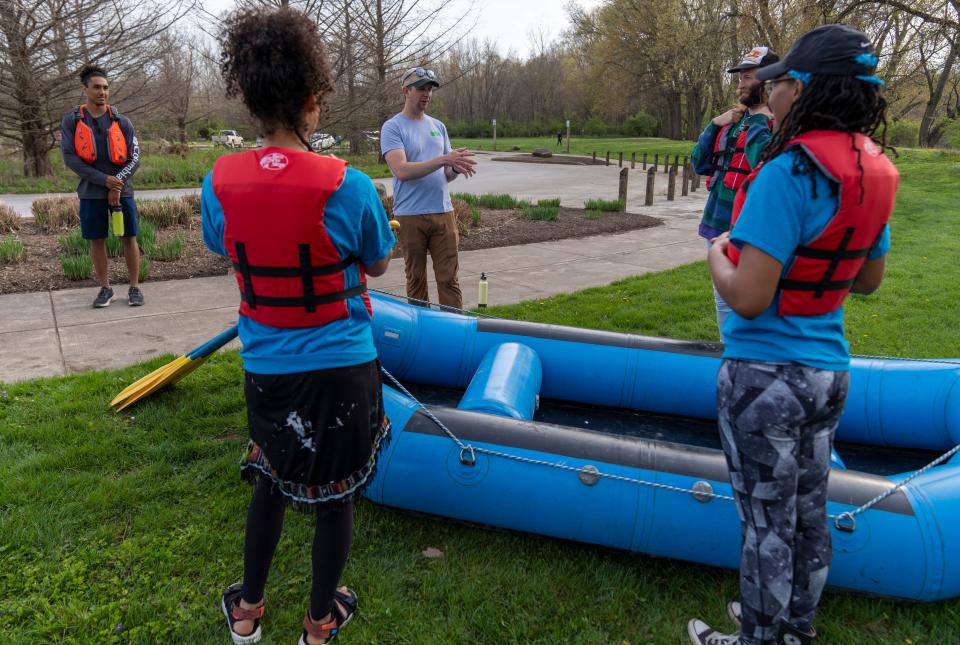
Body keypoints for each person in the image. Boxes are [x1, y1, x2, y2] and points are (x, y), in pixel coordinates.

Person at [688, 24, 898, 645]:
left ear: (800, 89)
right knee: (808, 517)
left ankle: (759, 637)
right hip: (828, 375)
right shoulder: (876, 169)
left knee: (764, 525)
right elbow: (867, 281)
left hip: (765, 377)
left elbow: (750, 298)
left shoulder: (789, 172)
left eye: (778, 83)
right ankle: (792, 629)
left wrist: (717, 256)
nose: (771, 94)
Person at [201, 8, 395, 645]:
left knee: (272, 479)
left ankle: (248, 611)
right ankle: (318, 624)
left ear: (251, 102)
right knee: (334, 499)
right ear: (312, 102)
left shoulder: (217, 183)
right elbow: (377, 261)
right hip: (343, 368)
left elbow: (223, 246)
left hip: (268, 369)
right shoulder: (352, 185)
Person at [691, 47, 779, 337]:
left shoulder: (777, 125)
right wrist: (714, 124)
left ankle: (752, 358)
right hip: (717, 222)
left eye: (749, 77)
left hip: (751, 229)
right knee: (723, 301)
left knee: (754, 301)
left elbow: (763, 167)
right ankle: (729, 358)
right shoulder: (733, 121)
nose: (741, 83)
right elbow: (699, 162)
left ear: (769, 82)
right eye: (740, 77)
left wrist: (757, 120)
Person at [381, 67, 476, 310]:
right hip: (410, 215)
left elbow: (445, 174)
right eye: (421, 88)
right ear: (406, 91)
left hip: (443, 212)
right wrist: (445, 159)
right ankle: (423, 336)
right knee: (416, 281)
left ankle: (455, 333)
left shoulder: (438, 126)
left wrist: (455, 167)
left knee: (449, 280)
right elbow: (401, 170)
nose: (427, 94)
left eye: (430, 89)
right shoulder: (393, 127)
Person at [60, 64, 143, 308]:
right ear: (84, 89)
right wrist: (104, 181)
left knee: (129, 237)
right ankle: (105, 289)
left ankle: (135, 288)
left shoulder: (122, 121)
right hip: (91, 193)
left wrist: (117, 186)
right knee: (97, 240)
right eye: (97, 87)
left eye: (106, 88)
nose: (102, 92)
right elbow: (70, 158)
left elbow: (135, 157)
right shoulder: (72, 121)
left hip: (123, 191)